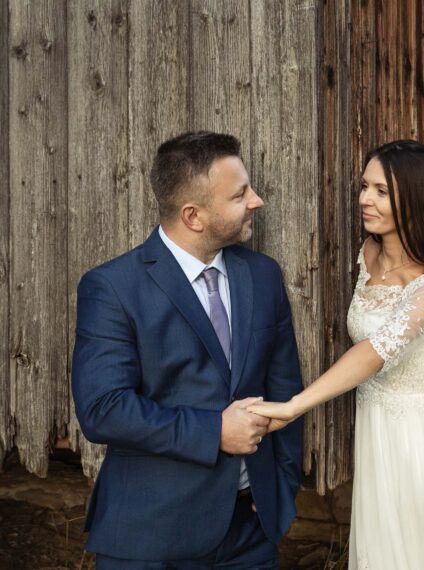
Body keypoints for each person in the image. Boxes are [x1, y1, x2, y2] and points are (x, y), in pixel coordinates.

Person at [249, 140, 424, 569]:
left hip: (421, 442)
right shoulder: (369, 253)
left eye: (381, 191)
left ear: (413, 200)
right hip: (377, 430)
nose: (365, 199)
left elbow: (375, 351)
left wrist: (294, 405)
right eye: (364, 186)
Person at [72, 131, 303, 569]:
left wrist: (281, 486)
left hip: (249, 535)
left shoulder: (263, 275)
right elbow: (103, 408)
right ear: (193, 216)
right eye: (239, 194)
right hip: (150, 537)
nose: (256, 201)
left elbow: (284, 387)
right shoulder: (112, 288)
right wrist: (214, 431)